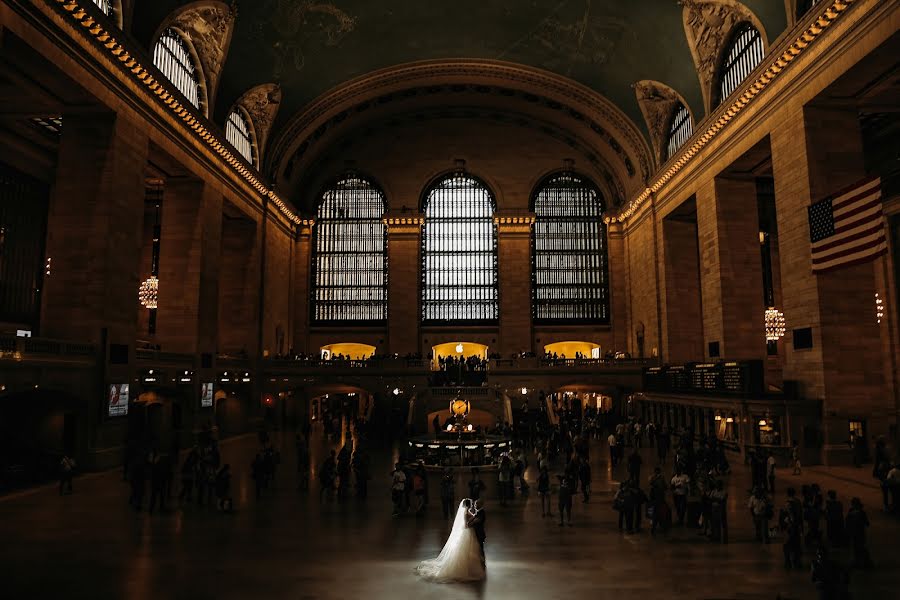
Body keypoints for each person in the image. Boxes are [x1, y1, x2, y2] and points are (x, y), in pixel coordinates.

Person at [415, 499, 485, 582]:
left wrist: (473, 520)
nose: (473, 505)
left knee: (468, 550)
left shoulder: (466, 512)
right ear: (468, 505)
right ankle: (468, 567)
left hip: (469, 532)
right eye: (472, 504)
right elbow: (467, 525)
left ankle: (470, 566)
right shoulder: (466, 513)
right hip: (468, 532)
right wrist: (472, 521)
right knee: (467, 550)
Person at [845, 497, 872, 568]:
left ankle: (857, 561)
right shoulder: (862, 512)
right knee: (861, 547)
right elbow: (867, 523)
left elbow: (847, 523)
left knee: (856, 548)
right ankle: (862, 562)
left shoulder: (851, 512)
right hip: (861, 534)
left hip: (854, 534)